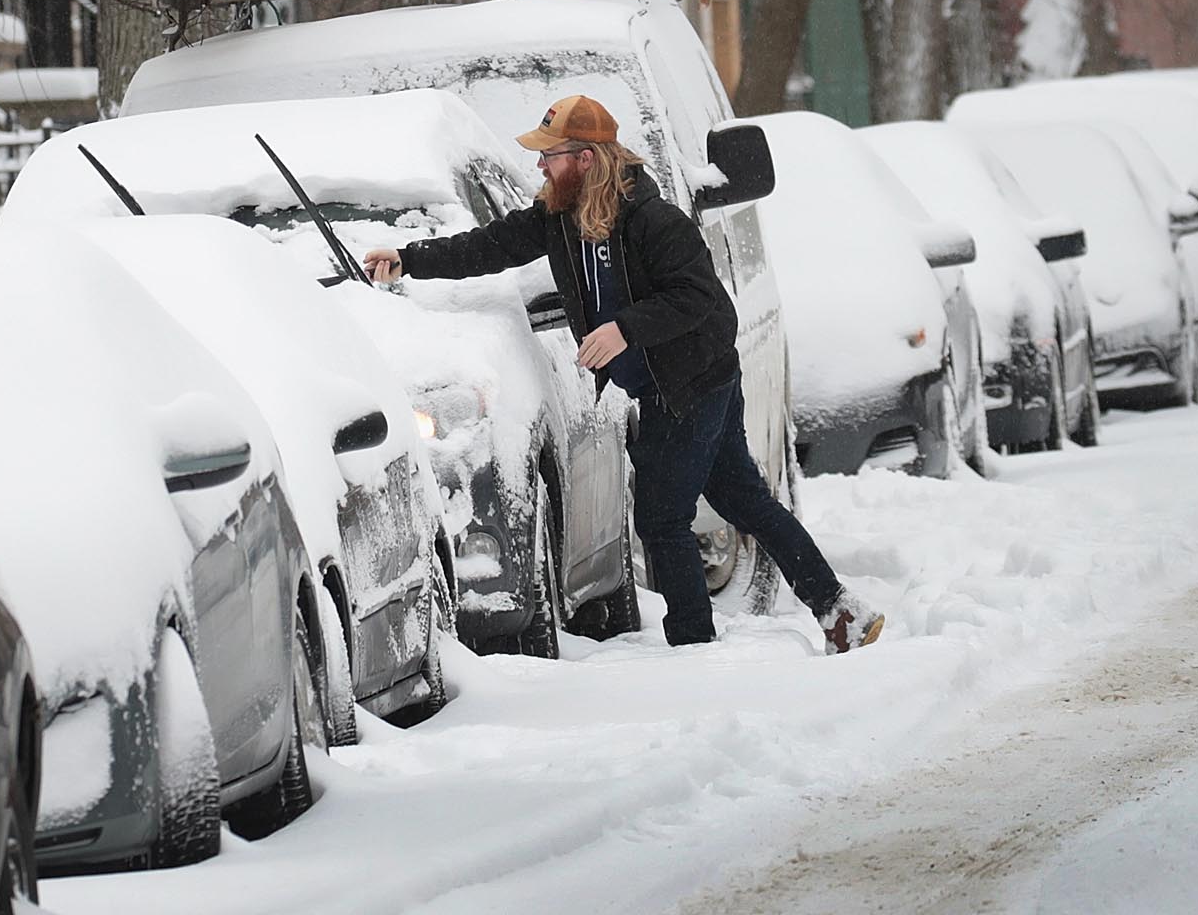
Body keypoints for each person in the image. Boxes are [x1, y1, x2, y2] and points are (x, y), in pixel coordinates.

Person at [360, 92, 882, 654]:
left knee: (661, 517)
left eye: (550, 155)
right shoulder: (559, 218)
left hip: (691, 382)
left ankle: (694, 646)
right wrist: (410, 258)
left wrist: (624, 328)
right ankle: (838, 610)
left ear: (585, 160)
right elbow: (492, 246)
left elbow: (699, 297)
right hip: (671, 383)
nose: (540, 165)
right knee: (742, 500)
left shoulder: (655, 221)